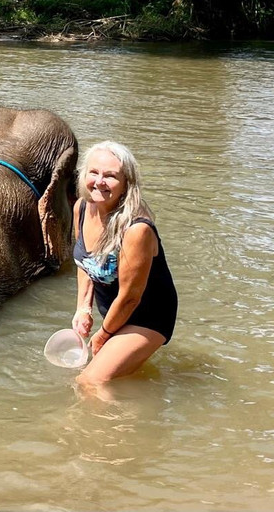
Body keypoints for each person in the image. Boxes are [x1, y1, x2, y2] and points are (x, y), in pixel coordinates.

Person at [70, 141, 177, 386]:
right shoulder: (82, 208)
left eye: (110, 176)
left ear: (126, 183)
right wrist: (83, 308)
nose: (99, 182)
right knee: (109, 379)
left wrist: (103, 334)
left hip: (147, 316)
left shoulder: (136, 230)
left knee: (90, 382)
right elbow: (84, 262)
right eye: (93, 172)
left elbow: (130, 297)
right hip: (117, 312)